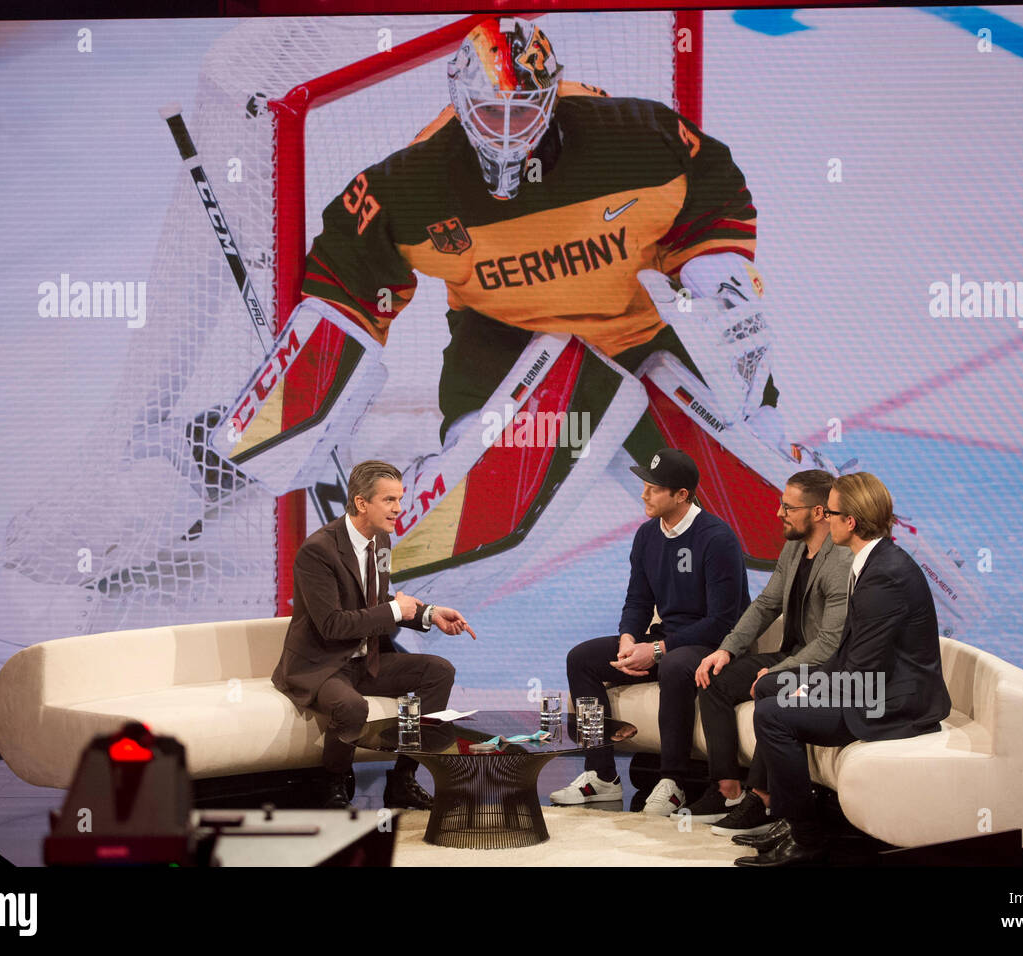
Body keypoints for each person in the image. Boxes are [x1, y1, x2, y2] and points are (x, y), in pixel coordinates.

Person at [214, 15, 846, 591]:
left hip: (628, 333)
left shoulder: (627, 135)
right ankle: (386, 615)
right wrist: (297, 408)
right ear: (461, 104)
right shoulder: (419, 180)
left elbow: (711, 183)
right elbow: (346, 275)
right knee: (453, 541)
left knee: (754, 476)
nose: (512, 132)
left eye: (527, 111)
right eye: (493, 113)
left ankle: (857, 578)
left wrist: (717, 277)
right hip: (502, 340)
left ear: (552, 96)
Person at [736, 472, 952, 866]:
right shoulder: (871, 562)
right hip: (871, 684)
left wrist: (809, 688)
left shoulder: (884, 575)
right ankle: (787, 816)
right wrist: (799, 681)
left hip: (890, 701)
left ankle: (806, 836)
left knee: (772, 714)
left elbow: (862, 667)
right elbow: (849, 652)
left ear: (850, 522)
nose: (826, 520)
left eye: (831, 514)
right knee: (772, 688)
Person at [549, 448, 750, 814]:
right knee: (582, 659)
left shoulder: (717, 538)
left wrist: (657, 650)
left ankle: (671, 782)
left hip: (711, 644)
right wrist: (629, 638)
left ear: (681, 495)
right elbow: (638, 600)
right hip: (667, 637)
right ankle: (602, 775)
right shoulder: (646, 536)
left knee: (673, 665)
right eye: (644, 485)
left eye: (654, 488)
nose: (644, 494)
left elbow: (724, 621)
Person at [271, 459, 477, 810]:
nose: (399, 509)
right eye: (389, 500)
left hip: (367, 660)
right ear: (362, 502)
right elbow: (333, 624)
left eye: (399, 499)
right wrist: (397, 610)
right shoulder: (317, 551)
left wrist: (428, 613)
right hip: (323, 665)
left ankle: (403, 779)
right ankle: (333, 785)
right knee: (352, 707)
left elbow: (374, 601)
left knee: (439, 671)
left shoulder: (381, 540)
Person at [688, 469, 851, 833]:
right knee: (712, 679)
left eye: (788, 507)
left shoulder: (840, 561)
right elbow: (766, 604)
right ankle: (726, 788)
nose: (779, 513)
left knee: (771, 690)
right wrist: (726, 649)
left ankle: (762, 799)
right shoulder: (794, 546)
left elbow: (830, 643)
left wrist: (782, 672)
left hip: (822, 666)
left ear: (820, 512)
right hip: (790, 654)